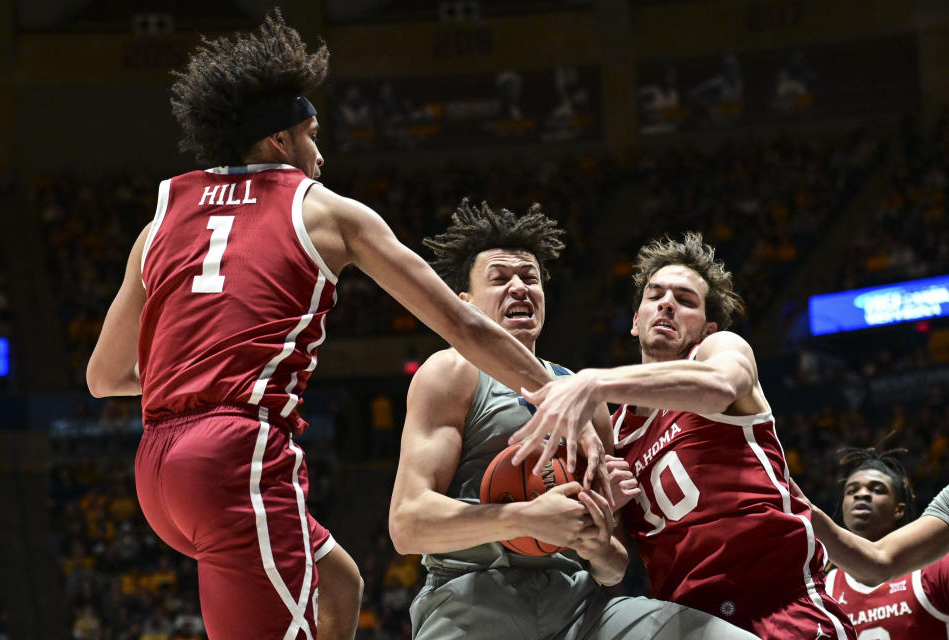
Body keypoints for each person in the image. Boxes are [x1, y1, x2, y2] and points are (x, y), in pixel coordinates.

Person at [85, 11, 605, 640]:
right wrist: (553, 396)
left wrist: (199, 378)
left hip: (156, 467)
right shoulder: (323, 209)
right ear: (280, 142)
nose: (320, 153)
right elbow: (460, 323)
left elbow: (105, 376)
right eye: (311, 134)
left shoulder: (161, 216)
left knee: (340, 584)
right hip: (235, 459)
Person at [389, 203, 759, 639]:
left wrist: (596, 541)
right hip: (472, 597)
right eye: (499, 279)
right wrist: (526, 518)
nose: (519, 288)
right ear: (465, 304)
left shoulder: (586, 396)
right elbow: (408, 525)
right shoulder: (452, 371)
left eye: (530, 278)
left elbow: (614, 566)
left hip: (577, 605)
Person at [517, 232, 856, 639]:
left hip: (779, 609)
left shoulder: (718, 350)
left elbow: (720, 385)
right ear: (635, 321)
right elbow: (612, 570)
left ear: (706, 327)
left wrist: (596, 382)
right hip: (693, 625)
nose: (667, 303)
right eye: (655, 294)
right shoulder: (616, 434)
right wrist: (599, 523)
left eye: (685, 299)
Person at [817, 447, 949, 638]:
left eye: (877, 489)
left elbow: (879, 561)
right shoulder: (824, 587)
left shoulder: (932, 568)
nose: (861, 494)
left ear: (899, 509)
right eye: (852, 490)